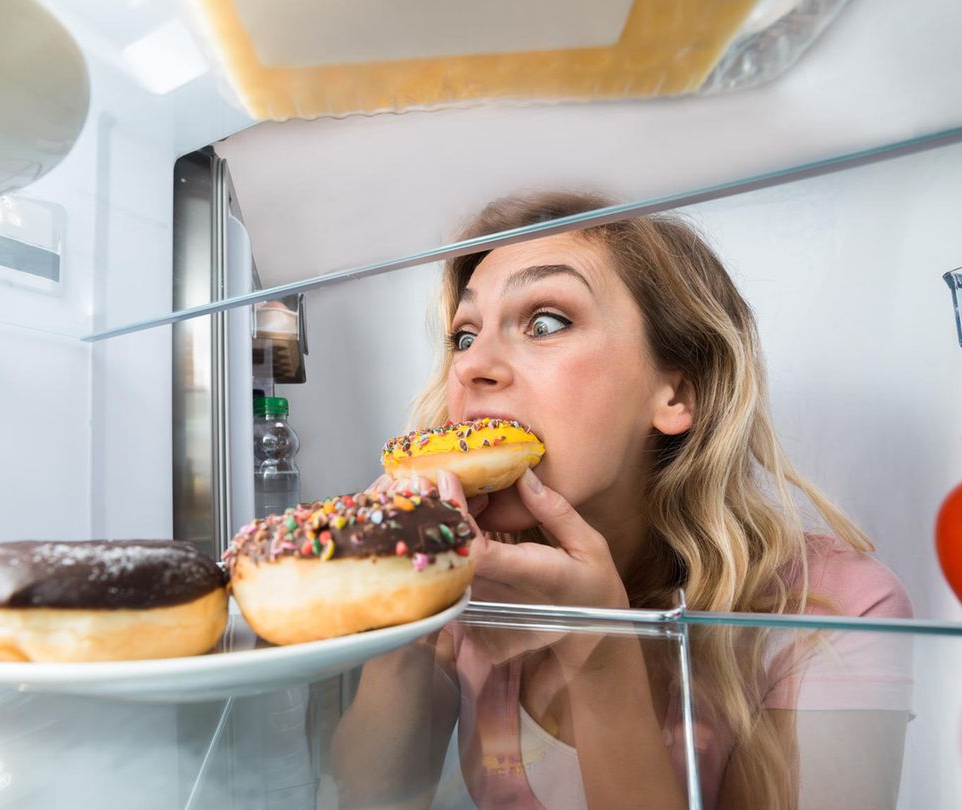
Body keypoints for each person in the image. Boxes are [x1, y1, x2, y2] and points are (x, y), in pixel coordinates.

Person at [329, 192, 914, 810]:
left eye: (546, 322)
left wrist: (601, 651)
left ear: (675, 393)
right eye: (464, 335)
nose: (474, 366)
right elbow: (371, 796)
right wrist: (404, 620)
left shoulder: (837, 611)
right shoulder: (472, 584)